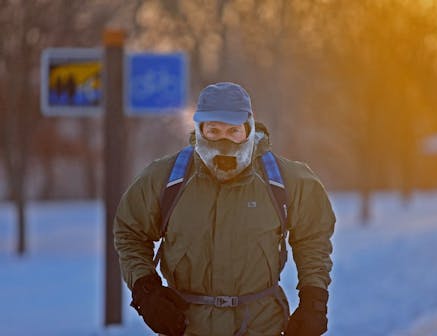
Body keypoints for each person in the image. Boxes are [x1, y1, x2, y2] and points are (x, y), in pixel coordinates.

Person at [114, 82, 335, 336]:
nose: (224, 141)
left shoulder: (286, 180)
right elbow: (130, 232)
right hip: (186, 326)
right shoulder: (165, 179)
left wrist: (313, 301)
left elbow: (313, 238)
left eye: (233, 131)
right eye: (214, 131)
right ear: (200, 130)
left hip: (261, 325)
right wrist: (147, 291)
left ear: (248, 129)